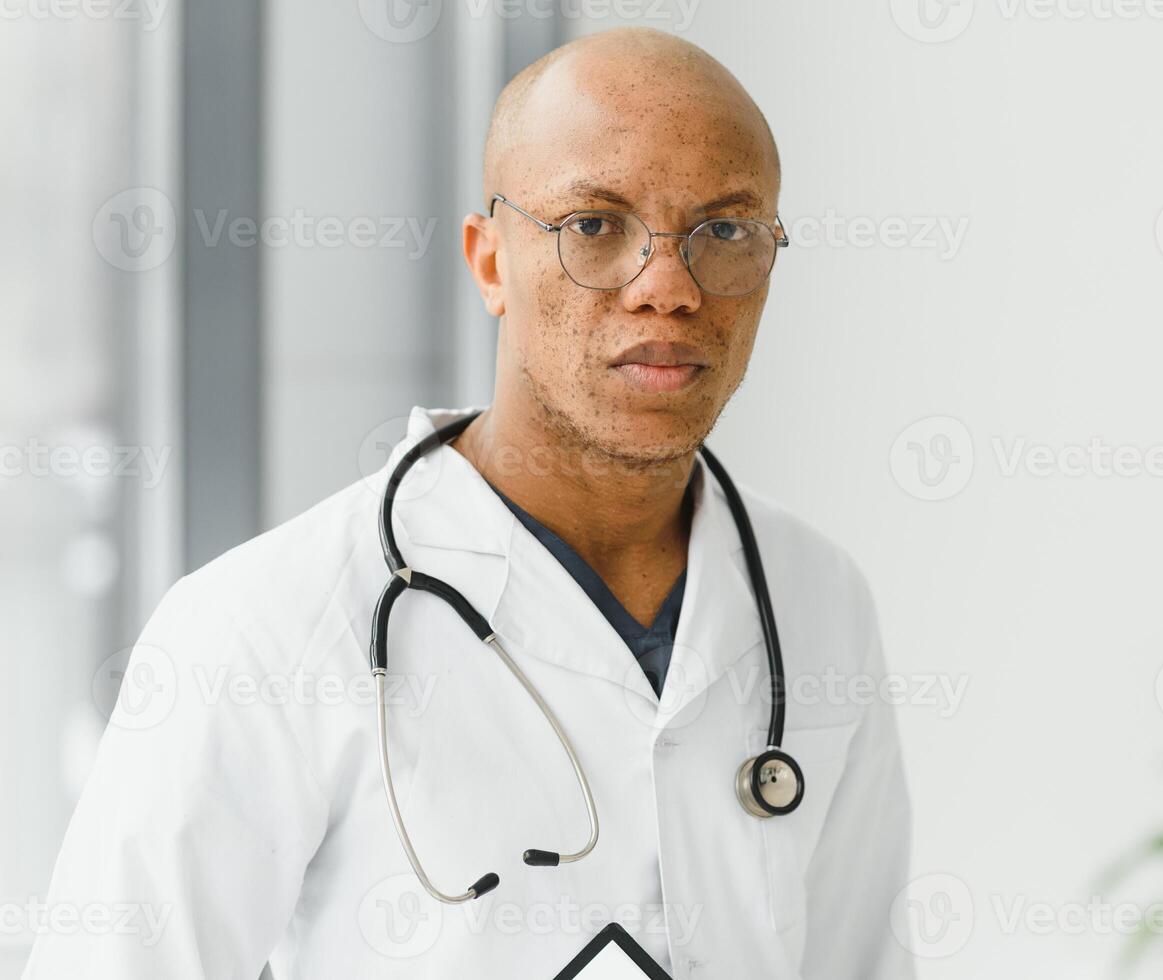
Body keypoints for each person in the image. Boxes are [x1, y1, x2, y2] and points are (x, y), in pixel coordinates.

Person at [26, 27, 915, 979]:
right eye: (595, 225)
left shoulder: (817, 599)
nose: (669, 287)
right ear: (489, 262)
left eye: (726, 231)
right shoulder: (258, 629)